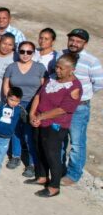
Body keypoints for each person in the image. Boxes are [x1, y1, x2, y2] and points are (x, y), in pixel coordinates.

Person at [28, 54, 82, 197]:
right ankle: (42, 176)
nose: (57, 70)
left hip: (55, 125)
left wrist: (40, 117)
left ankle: (54, 186)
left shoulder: (74, 87)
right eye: (57, 67)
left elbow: (62, 109)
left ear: (72, 70)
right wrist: (32, 115)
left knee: (52, 154)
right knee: (38, 148)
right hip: (39, 120)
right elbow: (38, 96)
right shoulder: (51, 78)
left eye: (61, 68)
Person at [61, 28, 103, 186]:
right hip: (60, 106)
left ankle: (73, 174)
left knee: (77, 142)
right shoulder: (61, 55)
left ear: (85, 43)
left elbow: (99, 83)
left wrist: (82, 95)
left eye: (78, 41)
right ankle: (59, 168)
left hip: (79, 108)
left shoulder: (91, 61)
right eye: (72, 40)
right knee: (60, 138)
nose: (74, 43)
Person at [2, 41, 45, 177]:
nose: (25, 54)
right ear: (18, 52)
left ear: (33, 53)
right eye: (22, 51)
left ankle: (32, 163)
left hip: (32, 105)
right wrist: (10, 101)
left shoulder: (40, 68)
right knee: (15, 130)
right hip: (16, 103)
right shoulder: (12, 67)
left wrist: (39, 107)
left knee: (29, 134)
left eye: (29, 52)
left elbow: (44, 89)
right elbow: (6, 86)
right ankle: (16, 155)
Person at [0, 87, 26, 181]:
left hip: (5, 138)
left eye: (17, 101)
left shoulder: (20, 109)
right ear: (7, 97)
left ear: (20, 101)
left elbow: (25, 119)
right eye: (11, 99)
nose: (13, 103)